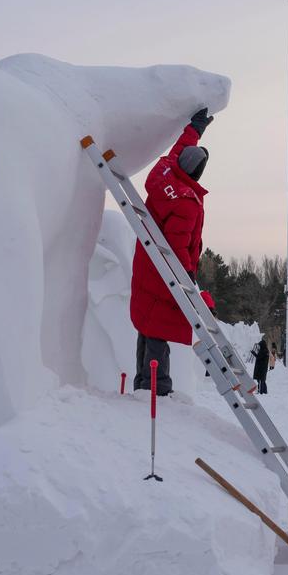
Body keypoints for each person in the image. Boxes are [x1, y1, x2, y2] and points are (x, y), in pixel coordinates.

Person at [130, 108, 214, 396]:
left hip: (147, 259)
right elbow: (179, 244)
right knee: (158, 327)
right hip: (165, 269)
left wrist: (196, 129)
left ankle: (143, 384)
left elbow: (179, 151)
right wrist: (188, 273)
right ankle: (157, 387)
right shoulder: (186, 202)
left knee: (147, 323)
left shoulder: (164, 173)